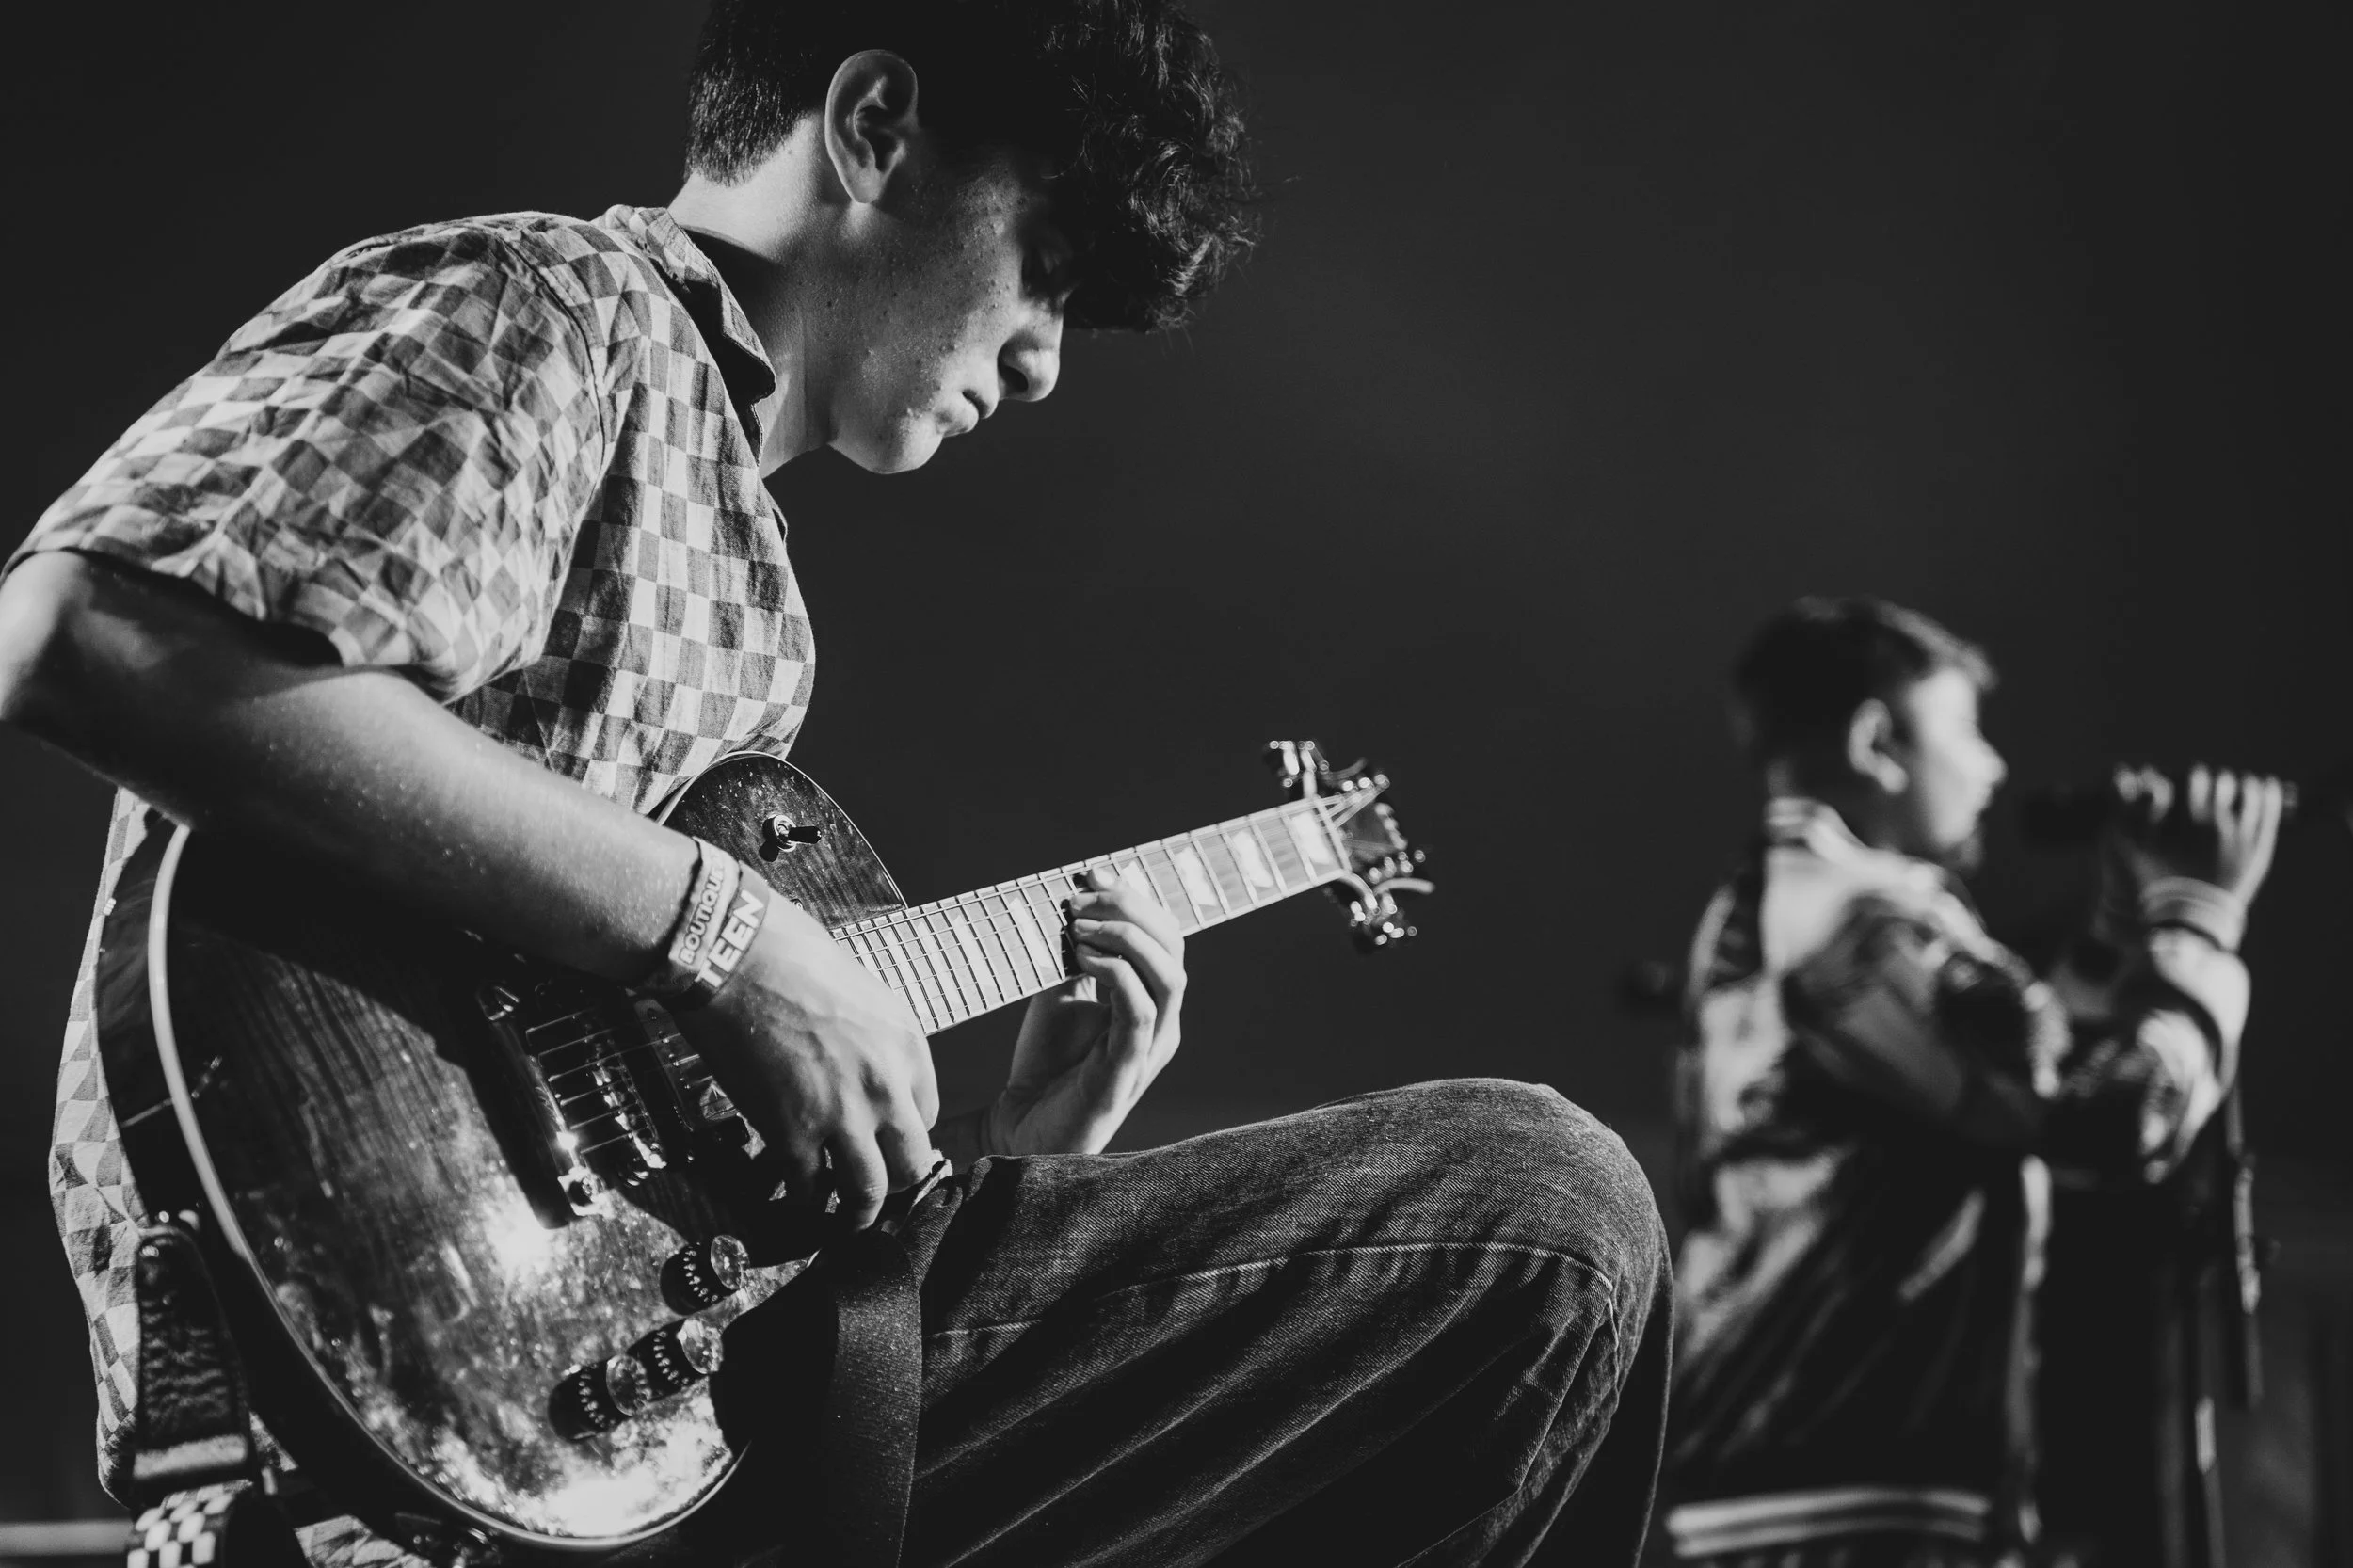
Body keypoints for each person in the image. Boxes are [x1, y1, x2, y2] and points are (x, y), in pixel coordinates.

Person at [0, 3, 1671, 1564]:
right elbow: (88, 632)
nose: (1045, 363)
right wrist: (728, 932)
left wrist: (1018, 1153)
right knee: (1540, 1221)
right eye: (1047, 268)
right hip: (395, 1388)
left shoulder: (749, 578)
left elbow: (669, 1155)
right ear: (872, 126)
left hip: (635, 1408)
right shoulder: (553, 309)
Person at [1657, 596, 2283, 1568]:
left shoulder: (1773, 903)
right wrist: (2198, 924)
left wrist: (2118, 934)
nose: (1992, 766)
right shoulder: (1869, 925)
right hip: (1852, 1500)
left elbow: (2004, 1083)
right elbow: (2104, 1118)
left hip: (1785, 1477)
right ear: (1877, 742)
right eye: (1964, 729)